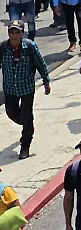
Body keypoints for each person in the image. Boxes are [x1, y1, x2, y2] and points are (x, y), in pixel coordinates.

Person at [0, 20, 49, 159]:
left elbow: (41, 63)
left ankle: (25, 144)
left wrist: (46, 81)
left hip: (26, 87)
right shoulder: (3, 47)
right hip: (10, 88)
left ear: (22, 33)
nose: (14, 36)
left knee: (27, 115)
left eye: (17, 32)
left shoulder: (29, 46)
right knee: (11, 113)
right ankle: (28, 125)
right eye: (11, 32)